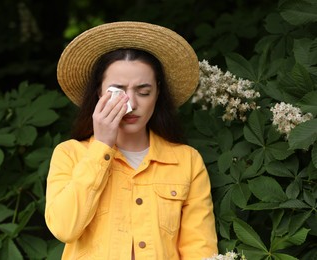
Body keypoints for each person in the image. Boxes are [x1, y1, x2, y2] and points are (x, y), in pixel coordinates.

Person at [45, 21, 218, 259]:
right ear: (98, 93)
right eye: (118, 90)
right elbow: (64, 228)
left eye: (143, 92)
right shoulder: (70, 154)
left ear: (157, 93)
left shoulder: (187, 160)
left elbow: (200, 250)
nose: (131, 104)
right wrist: (102, 147)